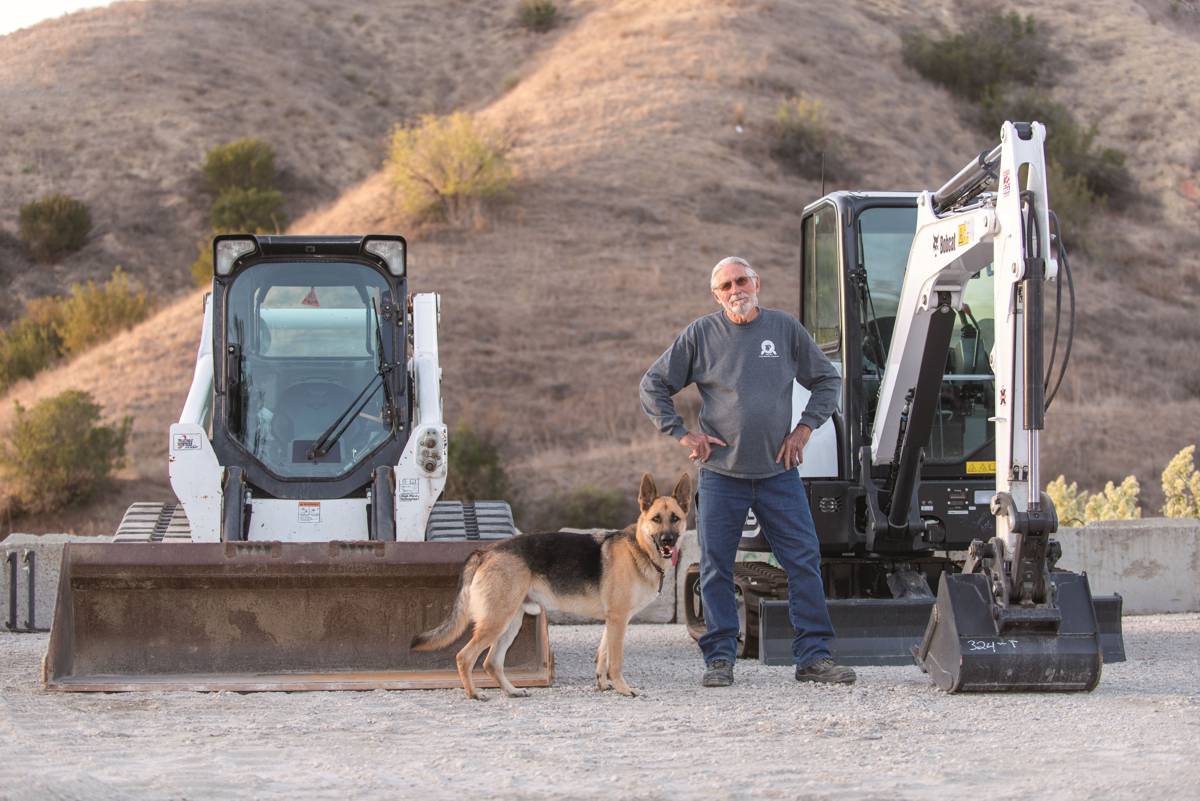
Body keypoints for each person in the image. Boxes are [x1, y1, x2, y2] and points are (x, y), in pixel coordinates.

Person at [639, 256, 856, 686]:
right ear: (716, 295)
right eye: (725, 286)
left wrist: (804, 429)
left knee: (804, 560)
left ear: (756, 283)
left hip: (779, 473)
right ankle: (720, 658)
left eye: (741, 281)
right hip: (722, 475)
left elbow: (826, 381)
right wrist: (685, 434)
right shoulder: (701, 335)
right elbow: (653, 385)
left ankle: (813, 657)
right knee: (717, 566)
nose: (735, 290)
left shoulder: (784, 329)